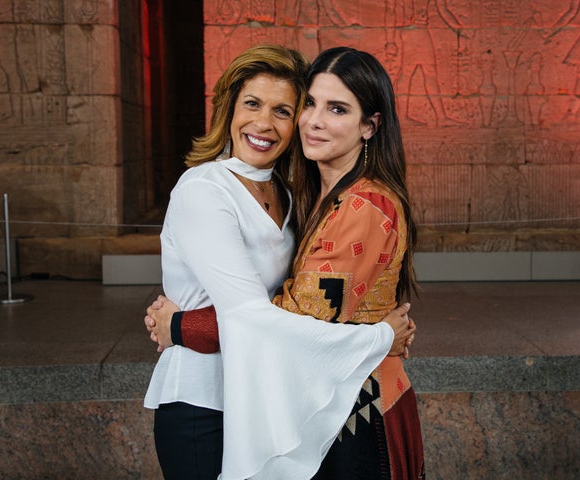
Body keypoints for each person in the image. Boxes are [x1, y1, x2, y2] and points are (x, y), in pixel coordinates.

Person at [147, 46, 425, 479]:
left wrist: (183, 326)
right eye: (310, 104)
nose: (312, 120)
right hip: (207, 399)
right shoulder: (207, 187)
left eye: (284, 109)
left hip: (341, 406)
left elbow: (289, 316)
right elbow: (258, 316)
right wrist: (377, 337)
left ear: (370, 126)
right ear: (229, 109)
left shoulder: (328, 201)